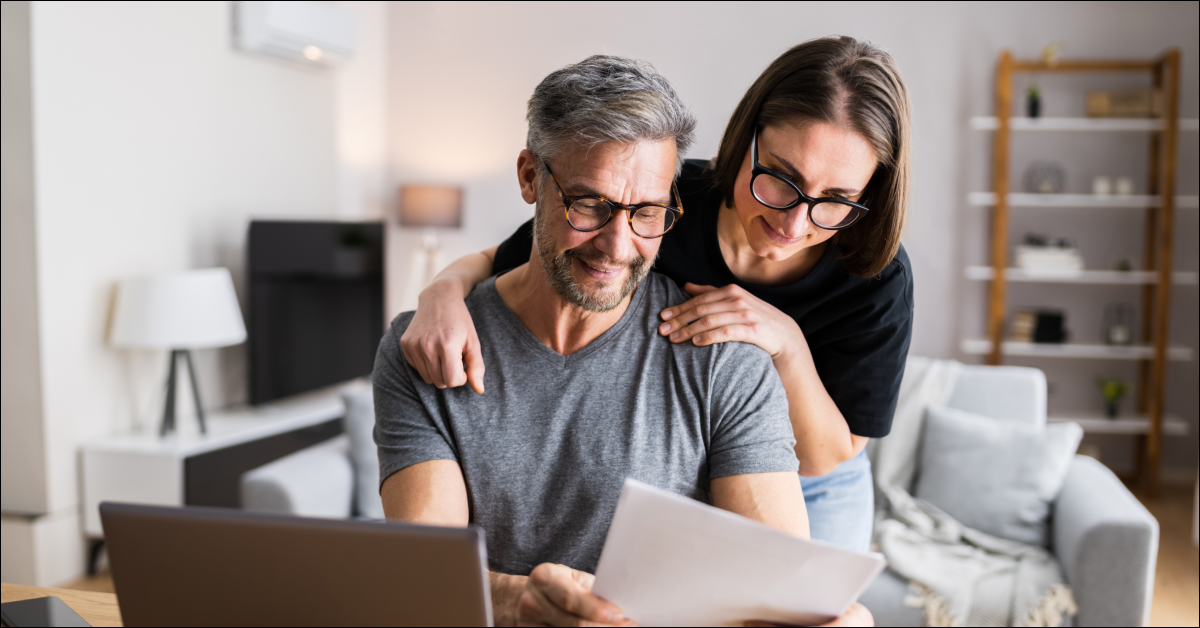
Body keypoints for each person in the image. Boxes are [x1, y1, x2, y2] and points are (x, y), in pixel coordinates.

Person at [375, 56, 871, 627]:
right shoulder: (425, 352)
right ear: (530, 177)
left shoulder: (727, 360)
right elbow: (421, 580)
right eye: (589, 204)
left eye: (648, 212)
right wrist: (518, 604)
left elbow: (773, 600)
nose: (617, 245)